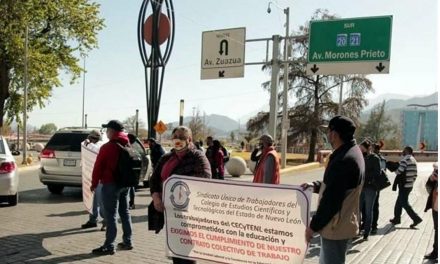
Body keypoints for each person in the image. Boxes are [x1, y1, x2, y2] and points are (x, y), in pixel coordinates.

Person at [303, 115, 364, 264]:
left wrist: (313, 227)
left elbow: (331, 200)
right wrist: (315, 186)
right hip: (341, 223)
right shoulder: (352, 152)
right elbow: (337, 185)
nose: (327, 135)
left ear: (335, 134)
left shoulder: (343, 160)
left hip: (335, 226)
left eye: (328, 132)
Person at [150, 126, 211, 264]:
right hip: (169, 211)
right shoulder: (167, 157)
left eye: (182, 137)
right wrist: (156, 197)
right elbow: (154, 179)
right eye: (175, 136)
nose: (178, 139)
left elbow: (205, 179)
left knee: (186, 253)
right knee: (176, 251)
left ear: (189, 140)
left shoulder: (197, 157)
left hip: (187, 214)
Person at [90, 120, 133, 255]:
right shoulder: (127, 143)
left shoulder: (108, 147)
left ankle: (109, 245)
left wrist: (94, 183)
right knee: (125, 212)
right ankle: (128, 241)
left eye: (107, 130)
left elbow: (98, 167)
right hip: (125, 185)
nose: (106, 132)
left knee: (111, 215)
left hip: (110, 184)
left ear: (112, 131)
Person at [389, 146, 423, 228]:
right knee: (399, 202)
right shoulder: (413, 160)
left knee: (404, 203)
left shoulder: (405, 159)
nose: (402, 152)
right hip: (409, 185)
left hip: (404, 185)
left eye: (403, 150)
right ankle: (396, 219)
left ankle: (416, 218)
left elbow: (399, 171)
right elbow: (415, 174)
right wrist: (411, 182)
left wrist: (394, 170)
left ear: (407, 151)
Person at [81, 130, 106, 231]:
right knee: (92, 200)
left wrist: (88, 144)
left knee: (101, 201)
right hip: (92, 177)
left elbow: (96, 150)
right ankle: (92, 220)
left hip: (100, 178)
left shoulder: (100, 145)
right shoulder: (92, 145)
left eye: (91, 138)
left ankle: (106, 222)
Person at [359, 140, 381, 240]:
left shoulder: (375, 158)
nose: (361, 150)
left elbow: (378, 173)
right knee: (357, 210)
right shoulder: (361, 158)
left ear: (368, 148)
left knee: (368, 211)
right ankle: (357, 229)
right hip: (360, 187)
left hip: (370, 188)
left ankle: (366, 233)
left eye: (362, 148)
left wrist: (366, 177)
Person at [371, 143, 387, 234]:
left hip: (374, 185)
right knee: (374, 205)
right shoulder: (382, 159)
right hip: (376, 185)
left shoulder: (377, 159)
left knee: (374, 206)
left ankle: (373, 226)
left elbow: (381, 173)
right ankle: (371, 225)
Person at [424, 162, 438, 261]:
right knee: (437, 230)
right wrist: (431, 179)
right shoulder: (437, 171)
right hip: (436, 206)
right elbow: (428, 187)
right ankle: (435, 252)